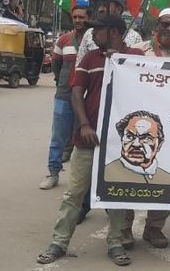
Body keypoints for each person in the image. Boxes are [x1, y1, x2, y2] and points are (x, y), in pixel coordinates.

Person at [36, 15, 144, 267]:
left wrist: (120, 63)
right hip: (88, 139)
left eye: (98, 30)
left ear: (115, 32)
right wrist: (84, 124)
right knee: (74, 193)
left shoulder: (134, 57)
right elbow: (76, 92)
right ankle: (59, 241)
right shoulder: (90, 58)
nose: (93, 34)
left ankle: (115, 241)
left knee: (115, 194)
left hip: (119, 144)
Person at [123, 7, 170, 249]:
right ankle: (123, 230)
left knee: (165, 180)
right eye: (165, 24)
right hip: (137, 124)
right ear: (157, 26)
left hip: (169, 129)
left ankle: (154, 229)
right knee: (128, 177)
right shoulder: (138, 51)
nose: (169, 29)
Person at [40, 5, 89, 190]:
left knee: (82, 139)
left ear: (88, 18)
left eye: (81, 17)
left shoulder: (92, 41)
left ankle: (78, 182)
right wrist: (65, 83)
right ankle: (53, 173)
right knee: (58, 136)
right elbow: (57, 66)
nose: (78, 20)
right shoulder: (63, 40)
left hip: (86, 97)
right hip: (64, 95)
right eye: (75, 17)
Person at [75, 0, 142, 68]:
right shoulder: (89, 34)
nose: (101, 9)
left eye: (105, 5)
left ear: (118, 9)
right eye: (100, 6)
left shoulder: (135, 37)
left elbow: (138, 69)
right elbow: (79, 66)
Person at [104, 110, 170, 184]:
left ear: (159, 145)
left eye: (146, 138)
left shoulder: (167, 179)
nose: (136, 144)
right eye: (129, 136)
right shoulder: (106, 173)